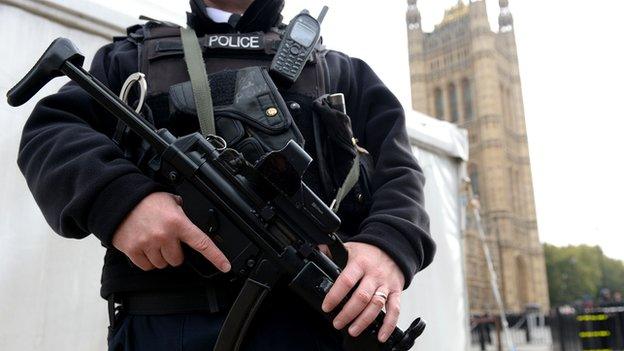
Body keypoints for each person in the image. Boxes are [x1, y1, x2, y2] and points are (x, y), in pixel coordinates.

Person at [16, 0, 435, 350]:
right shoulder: (131, 58)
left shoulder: (341, 72)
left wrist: (387, 247)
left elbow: (398, 168)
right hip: (165, 322)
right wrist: (123, 200)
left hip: (316, 321)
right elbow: (51, 132)